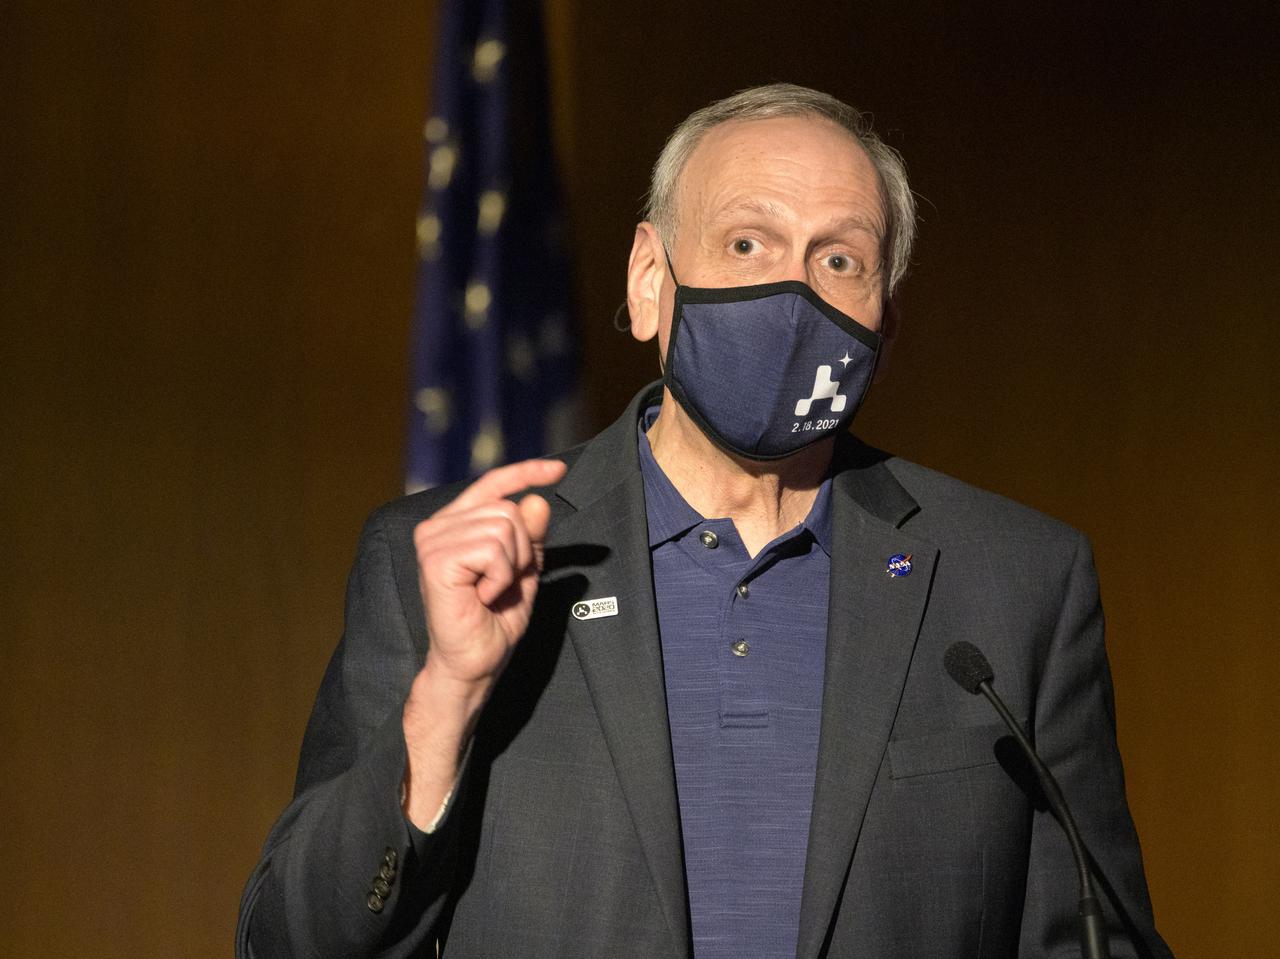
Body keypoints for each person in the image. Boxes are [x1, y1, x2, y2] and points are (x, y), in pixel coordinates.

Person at [237, 83, 1171, 958]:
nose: (794, 295)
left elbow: (1094, 935)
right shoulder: (444, 562)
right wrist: (444, 701)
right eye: (747, 245)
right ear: (649, 279)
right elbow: (291, 939)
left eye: (839, 259)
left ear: (885, 327)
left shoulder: (1014, 581)